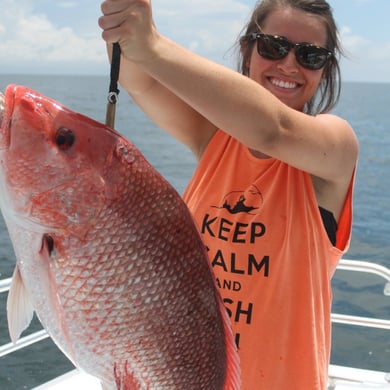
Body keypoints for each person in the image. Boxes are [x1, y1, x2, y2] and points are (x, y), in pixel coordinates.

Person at [99, 0, 359, 388]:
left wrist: (150, 43)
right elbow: (142, 80)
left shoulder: (335, 147)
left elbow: (274, 130)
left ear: (326, 70)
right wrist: (125, 24)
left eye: (311, 55)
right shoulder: (214, 137)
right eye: (273, 47)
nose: (289, 65)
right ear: (247, 50)